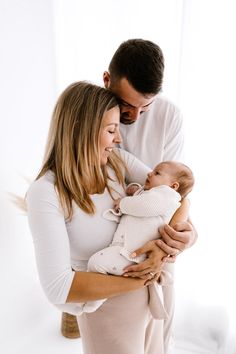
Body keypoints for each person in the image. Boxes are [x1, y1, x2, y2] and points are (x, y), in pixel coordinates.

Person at [27, 81, 189, 354]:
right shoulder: (46, 193)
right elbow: (59, 288)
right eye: (112, 130)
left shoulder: (117, 162)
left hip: (148, 303)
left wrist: (170, 246)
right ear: (82, 129)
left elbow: (176, 196)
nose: (119, 138)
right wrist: (138, 280)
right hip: (106, 313)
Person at [61, 39, 197, 353]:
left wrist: (171, 244)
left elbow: (178, 190)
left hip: (152, 230)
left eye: (144, 108)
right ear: (107, 80)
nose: (134, 116)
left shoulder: (169, 117)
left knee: (158, 328)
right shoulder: (85, 114)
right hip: (100, 236)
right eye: (127, 106)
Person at [82, 161, 194, 319]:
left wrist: (123, 203)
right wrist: (134, 189)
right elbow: (144, 198)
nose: (149, 173)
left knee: (95, 263)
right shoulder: (155, 194)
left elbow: (146, 206)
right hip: (126, 249)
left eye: (157, 173)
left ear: (174, 186)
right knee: (98, 264)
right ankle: (96, 298)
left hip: (133, 255)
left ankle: (93, 302)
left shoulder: (168, 197)